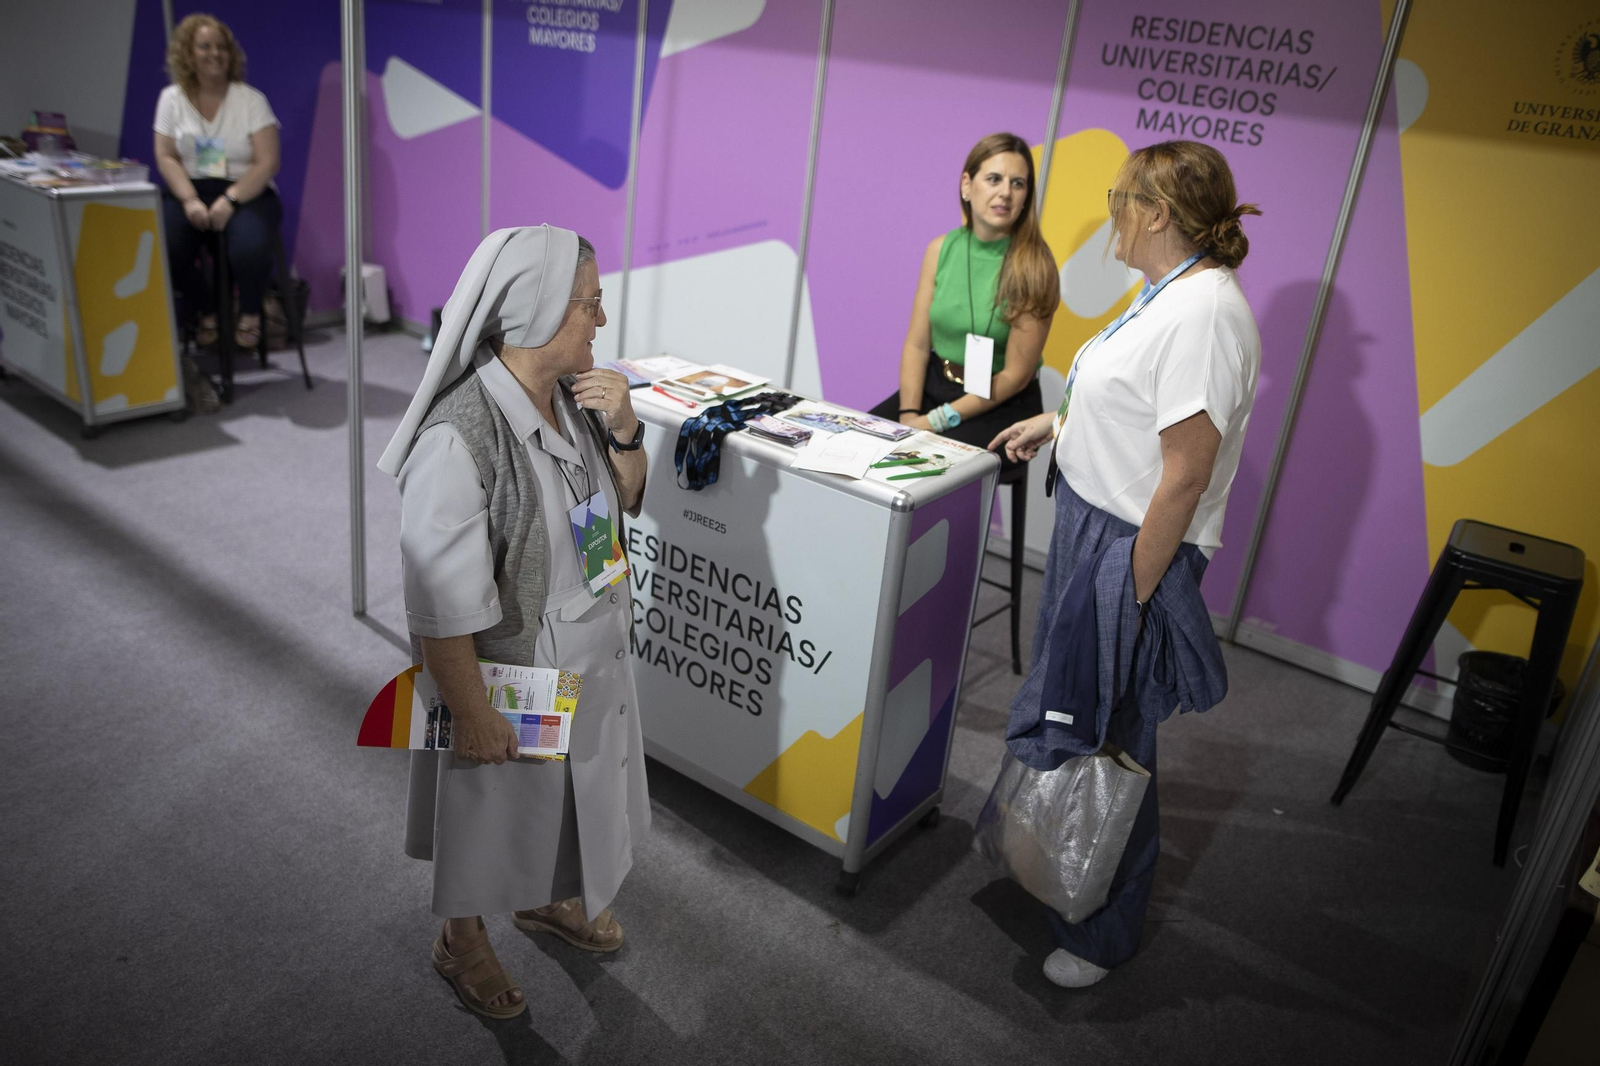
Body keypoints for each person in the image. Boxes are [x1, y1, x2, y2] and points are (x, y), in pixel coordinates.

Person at [988, 140, 1262, 988]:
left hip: (1132, 552)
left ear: (1156, 213)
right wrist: (1061, 430)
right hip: (1098, 535)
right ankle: (1057, 869)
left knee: (1117, 739)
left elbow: (1185, 477)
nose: (1109, 209)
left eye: (1119, 197)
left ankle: (1105, 932)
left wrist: (1130, 598)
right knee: (1079, 715)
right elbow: (1134, 414)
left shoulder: (1207, 313)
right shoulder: (1164, 294)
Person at [377, 225, 650, 1019]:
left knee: (565, 801)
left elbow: (627, 498)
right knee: (481, 811)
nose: (601, 321)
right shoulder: (459, 439)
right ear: (535, 311)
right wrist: (469, 710)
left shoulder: (575, 399)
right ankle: (461, 939)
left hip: (584, 650)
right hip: (506, 671)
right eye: (589, 305)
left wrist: (627, 430)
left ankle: (542, 900)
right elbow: (438, 601)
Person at [869, 132, 1059, 467]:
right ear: (967, 185)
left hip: (1002, 403)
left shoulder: (1035, 266)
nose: (1005, 192)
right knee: (860, 445)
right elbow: (917, 344)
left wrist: (933, 423)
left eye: (1018, 183)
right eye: (994, 179)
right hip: (936, 385)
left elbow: (1014, 376)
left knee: (919, 467)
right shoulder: (941, 249)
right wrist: (909, 413)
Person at [152, 13, 281, 412]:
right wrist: (190, 199)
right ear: (188, 53)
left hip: (246, 190)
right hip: (190, 189)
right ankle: (206, 308)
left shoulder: (250, 100)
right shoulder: (171, 99)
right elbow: (166, 155)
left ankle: (249, 312)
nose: (215, 54)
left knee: (248, 245)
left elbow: (267, 162)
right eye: (205, 46)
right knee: (168, 245)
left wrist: (231, 201)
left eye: (221, 47)